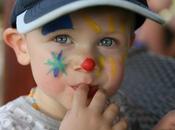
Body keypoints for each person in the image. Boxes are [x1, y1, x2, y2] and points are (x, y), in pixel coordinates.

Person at [1, 0, 164, 130]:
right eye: (62, 38)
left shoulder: (119, 107)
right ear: (22, 47)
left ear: (128, 46)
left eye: (107, 42)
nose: (87, 63)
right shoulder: (9, 124)